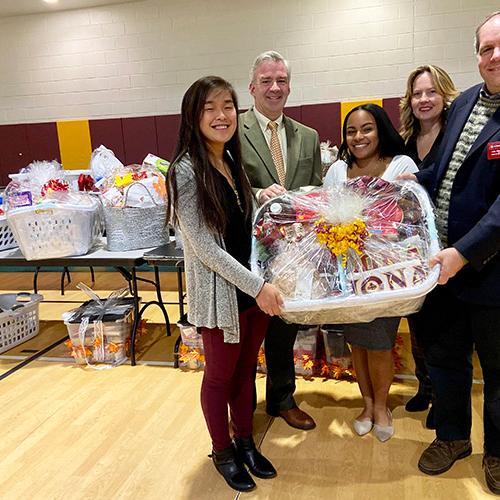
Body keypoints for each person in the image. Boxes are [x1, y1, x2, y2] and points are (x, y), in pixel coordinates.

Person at [397, 12, 500, 494]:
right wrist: (413, 180)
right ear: (476, 56)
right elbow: (442, 167)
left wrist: (464, 251)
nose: (494, 56)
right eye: (486, 48)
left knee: (498, 368)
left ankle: (498, 450)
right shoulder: (462, 105)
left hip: (488, 269)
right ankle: (453, 436)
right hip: (440, 265)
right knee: (444, 357)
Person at [166, 76, 283, 493]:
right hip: (222, 297)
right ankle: (222, 450)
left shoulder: (231, 161)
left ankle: (246, 440)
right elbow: (204, 249)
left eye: (228, 106)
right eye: (209, 108)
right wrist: (258, 287)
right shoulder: (183, 170)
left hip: (251, 292)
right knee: (219, 377)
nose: (221, 115)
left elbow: (243, 228)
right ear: (193, 117)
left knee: (246, 371)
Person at [324, 103, 418, 442]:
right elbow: (325, 217)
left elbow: (413, 217)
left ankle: (382, 406)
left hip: (387, 273)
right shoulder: (337, 171)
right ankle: (366, 403)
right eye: (351, 131)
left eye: (367, 129)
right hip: (347, 274)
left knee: (379, 343)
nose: (359, 137)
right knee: (357, 343)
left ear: (380, 130)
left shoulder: (401, 165)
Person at [239, 50, 322, 430]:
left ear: (289, 86)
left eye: (282, 81)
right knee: (242, 334)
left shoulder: (308, 136)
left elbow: (317, 190)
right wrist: (257, 192)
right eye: (267, 81)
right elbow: (226, 185)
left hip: (292, 253)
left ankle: (282, 399)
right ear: (252, 87)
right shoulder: (231, 132)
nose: (275, 88)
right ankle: (240, 409)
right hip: (245, 250)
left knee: (282, 329)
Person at [399, 65, 459, 426]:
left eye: (431, 92)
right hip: (414, 249)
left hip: (450, 246)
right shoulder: (405, 142)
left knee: (446, 326)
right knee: (419, 320)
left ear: (445, 95)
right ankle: (425, 385)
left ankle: (445, 395)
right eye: (417, 93)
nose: (424, 100)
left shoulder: (454, 135)